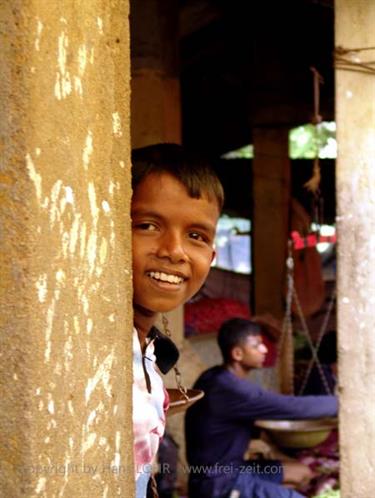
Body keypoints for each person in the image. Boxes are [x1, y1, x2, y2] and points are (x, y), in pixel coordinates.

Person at [131, 143, 224, 498]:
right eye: (148, 225)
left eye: (196, 236)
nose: (174, 250)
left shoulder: (149, 350)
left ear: (212, 256)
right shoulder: (101, 348)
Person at [185, 318, 338, 498]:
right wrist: (343, 403)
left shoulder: (215, 376)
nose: (264, 349)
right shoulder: (230, 388)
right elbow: (293, 408)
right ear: (238, 354)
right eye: (257, 345)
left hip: (235, 469)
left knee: (301, 472)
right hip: (219, 483)